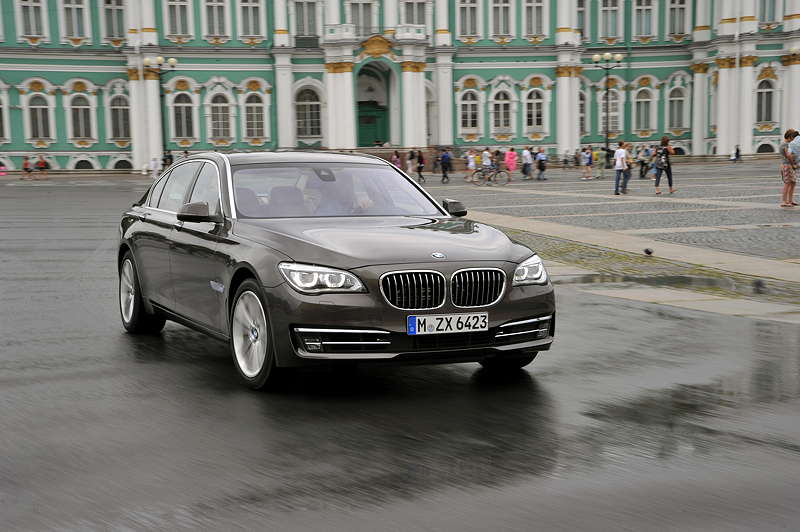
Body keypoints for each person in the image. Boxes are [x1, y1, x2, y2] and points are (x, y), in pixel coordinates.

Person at [783, 129, 800, 207]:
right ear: (790, 137)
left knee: (793, 183)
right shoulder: (785, 145)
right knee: (787, 183)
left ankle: (790, 200)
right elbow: (788, 156)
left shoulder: (789, 144)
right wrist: (794, 164)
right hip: (788, 165)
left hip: (789, 166)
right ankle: (785, 201)